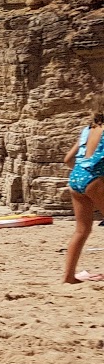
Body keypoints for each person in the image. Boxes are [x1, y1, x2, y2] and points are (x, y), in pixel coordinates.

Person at [63, 107, 104, 283]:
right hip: (94, 180)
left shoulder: (87, 131)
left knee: (81, 230)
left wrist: (83, 173)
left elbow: (67, 160)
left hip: (76, 179)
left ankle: (69, 276)